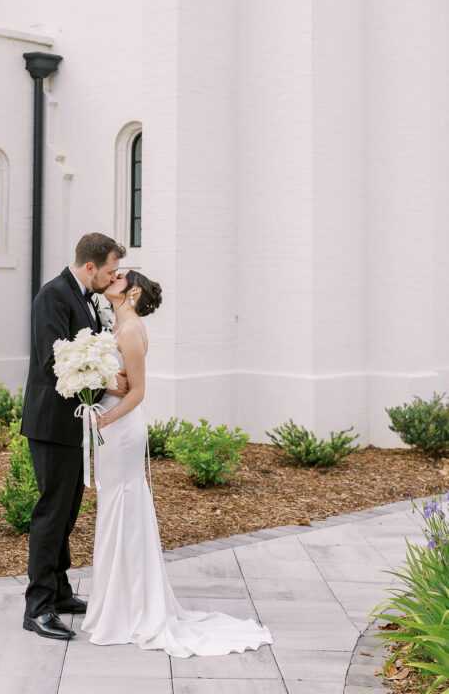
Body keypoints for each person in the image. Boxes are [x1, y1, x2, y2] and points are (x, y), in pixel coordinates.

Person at [82, 269, 273, 657]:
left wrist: (103, 419)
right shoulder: (116, 325)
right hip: (109, 428)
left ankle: (131, 610)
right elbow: (114, 382)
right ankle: (114, 604)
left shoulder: (131, 330)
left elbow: (137, 393)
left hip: (121, 429)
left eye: (119, 278)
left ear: (132, 292)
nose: (112, 278)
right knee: (113, 508)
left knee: (124, 508)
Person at [20, 232, 128, 640]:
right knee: (51, 514)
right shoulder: (53, 296)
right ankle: (38, 606)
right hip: (50, 425)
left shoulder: (84, 296)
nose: (112, 277)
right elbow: (53, 363)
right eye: (110, 271)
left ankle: (61, 591)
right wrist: (107, 383)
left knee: (66, 514)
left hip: (74, 423)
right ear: (89, 268)